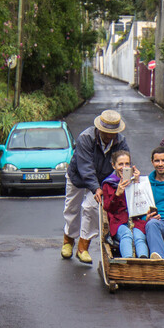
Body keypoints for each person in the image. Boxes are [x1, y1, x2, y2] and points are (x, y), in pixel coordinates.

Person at [61, 109, 128, 264]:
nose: (109, 136)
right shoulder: (86, 138)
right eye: (106, 132)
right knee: (72, 208)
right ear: (99, 129)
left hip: (102, 180)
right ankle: (68, 241)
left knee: (92, 208)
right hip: (78, 176)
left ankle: (83, 247)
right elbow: (85, 166)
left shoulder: (121, 141)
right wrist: (94, 187)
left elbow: (124, 162)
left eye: (113, 133)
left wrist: (129, 176)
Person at [102, 150, 149, 259]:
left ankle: (144, 261)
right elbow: (108, 208)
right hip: (118, 222)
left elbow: (142, 203)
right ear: (114, 165)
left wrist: (137, 184)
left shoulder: (135, 181)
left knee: (139, 236)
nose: (124, 167)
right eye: (120, 164)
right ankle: (128, 261)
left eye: (127, 164)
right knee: (127, 234)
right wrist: (117, 194)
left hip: (135, 219)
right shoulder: (109, 183)